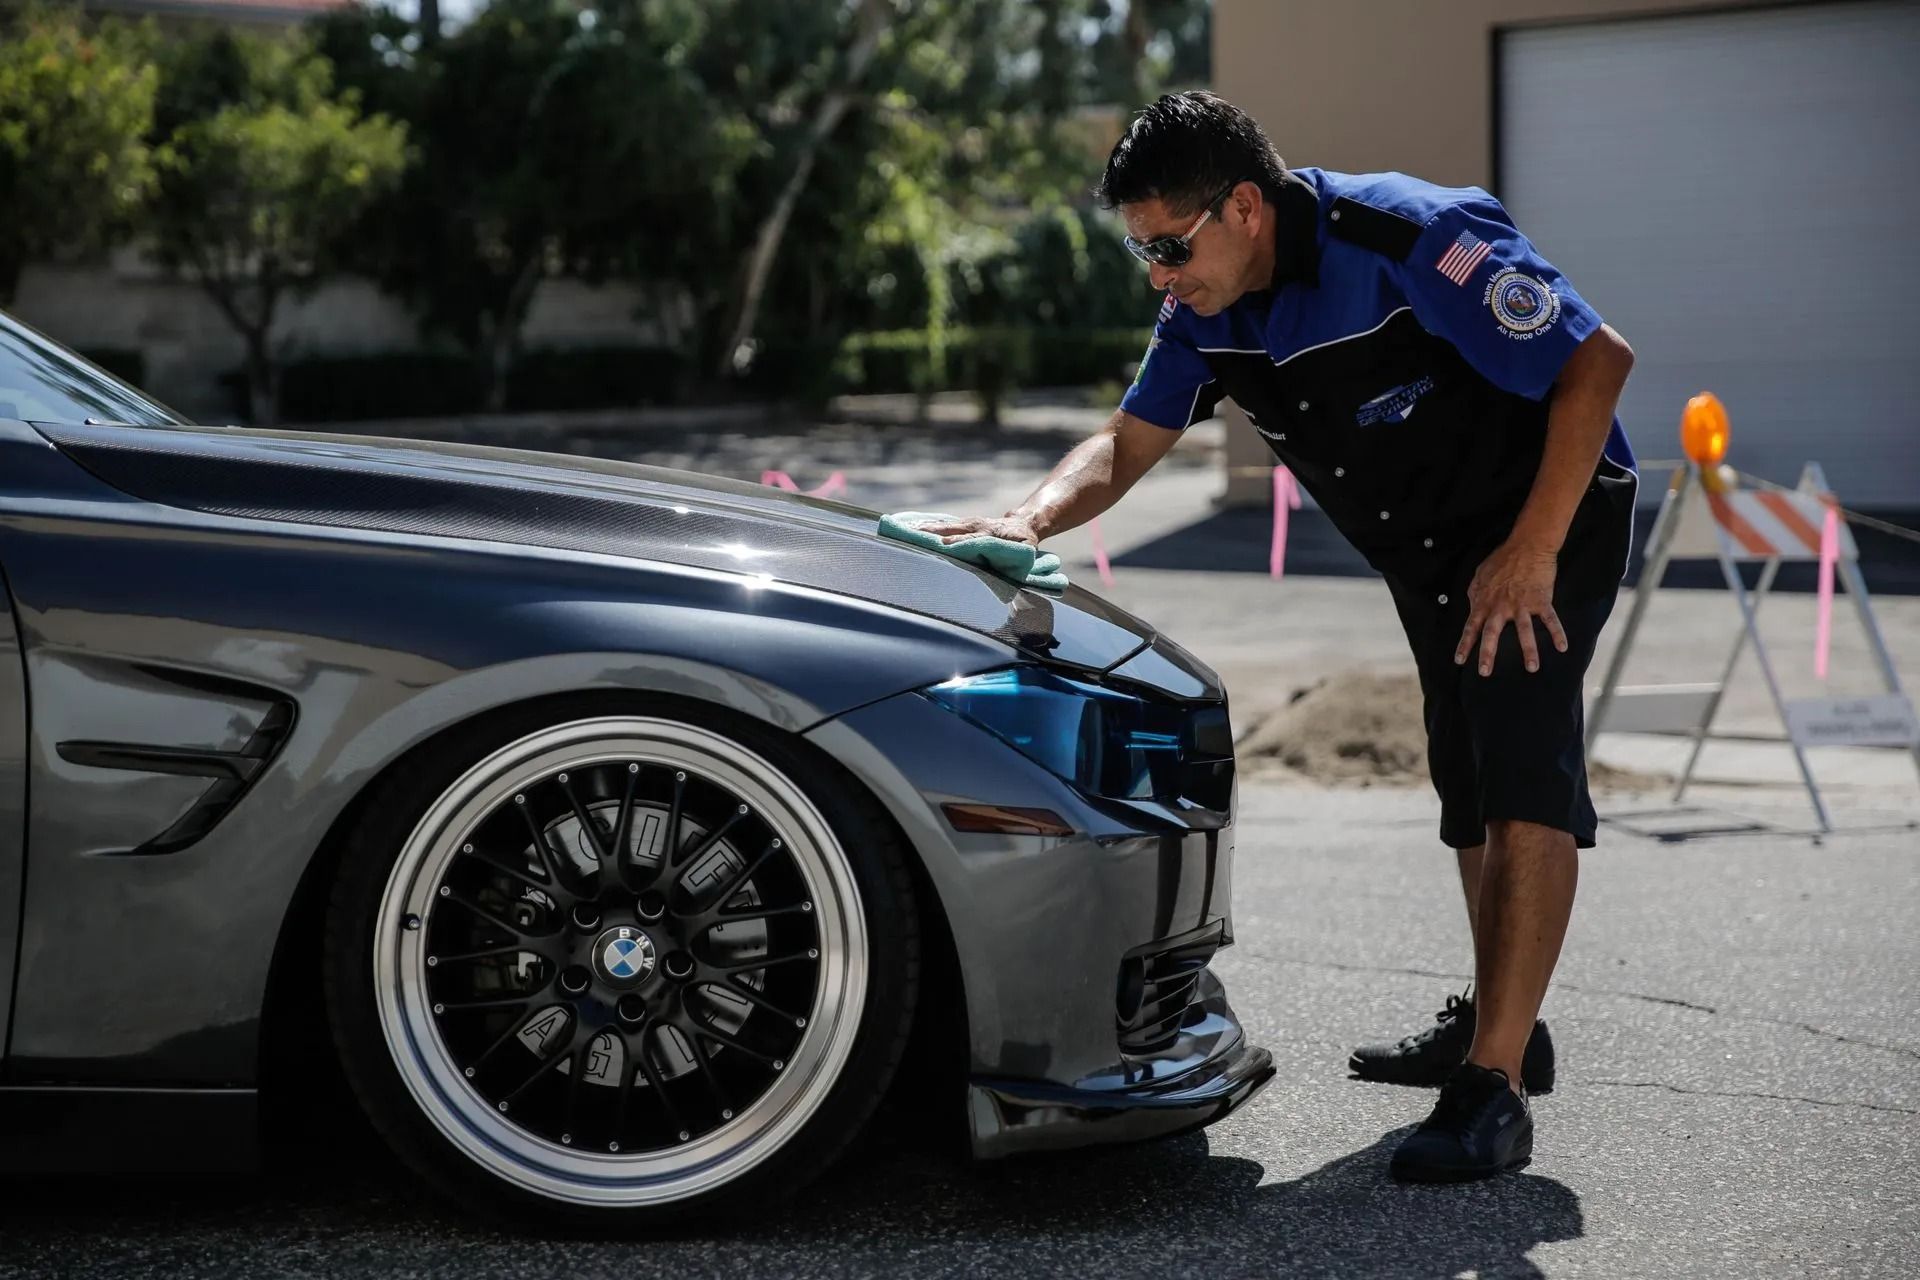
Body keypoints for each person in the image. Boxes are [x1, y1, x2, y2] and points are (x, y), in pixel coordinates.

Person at [918, 91, 1638, 1182]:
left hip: (1547, 518)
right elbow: (1128, 438)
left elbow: (1597, 364)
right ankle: (1507, 1016)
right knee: (1466, 776)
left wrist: (1533, 548)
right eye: (1141, 252)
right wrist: (1026, 517)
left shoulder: (1411, 236)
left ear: (1244, 206)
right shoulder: (1207, 306)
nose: (1157, 273)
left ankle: (1494, 1085)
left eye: (1169, 245)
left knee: (1524, 773)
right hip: (1432, 547)